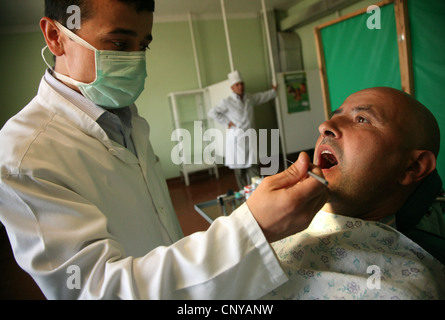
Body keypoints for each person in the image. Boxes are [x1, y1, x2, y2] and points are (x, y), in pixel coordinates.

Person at [0, 0, 328, 299]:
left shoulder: (127, 120)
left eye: (143, 45)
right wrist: (254, 227)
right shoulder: (24, 157)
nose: (136, 60)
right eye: (118, 43)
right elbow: (97, 291)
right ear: (55, 36)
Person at [255, 87, 445, 299]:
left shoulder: (395, 290)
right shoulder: (276, 220)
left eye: (362, 119)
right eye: (333, 117)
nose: (324, 126)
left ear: (412, 167)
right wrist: (253, 228)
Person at [208, 70, 277, 190]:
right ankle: (243, 193)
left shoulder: (249, 98)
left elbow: (262, 97)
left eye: (241, 84)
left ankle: (256, 192)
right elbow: (212, 112)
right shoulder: (227, 102)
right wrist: (227, 122)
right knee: (240, 170)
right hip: (236, 140)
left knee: (253, 167)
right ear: (232, 87)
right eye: (237, 85)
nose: (240, 87)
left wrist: (274, 91)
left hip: (250, 138)